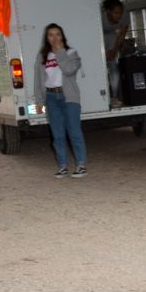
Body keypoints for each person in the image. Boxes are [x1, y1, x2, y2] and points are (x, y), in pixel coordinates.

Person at [34, 23, 88, 179]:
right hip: (51, 98)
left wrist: (60, 52)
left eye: (57, 34)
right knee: (57, 134)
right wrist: (39, 101)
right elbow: (38, 80)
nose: (54, 38)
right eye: (51, 35)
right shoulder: (42, 56)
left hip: (69, 97)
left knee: (74, 131)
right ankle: (62, 166)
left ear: (62, 36)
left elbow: (69, 70)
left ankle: (81, 165)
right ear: (47, 38)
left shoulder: (71, 53)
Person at [101, 0, 130, 108]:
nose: (119, 15)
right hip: (99, 36)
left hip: (112, 35)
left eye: (120, 13)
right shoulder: (101, 16)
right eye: (116, 13)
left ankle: (114, 97)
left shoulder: (124, 15)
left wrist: (113, 52)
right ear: (108, 11)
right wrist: (104, 53)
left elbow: (121, 35)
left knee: (113, 66)